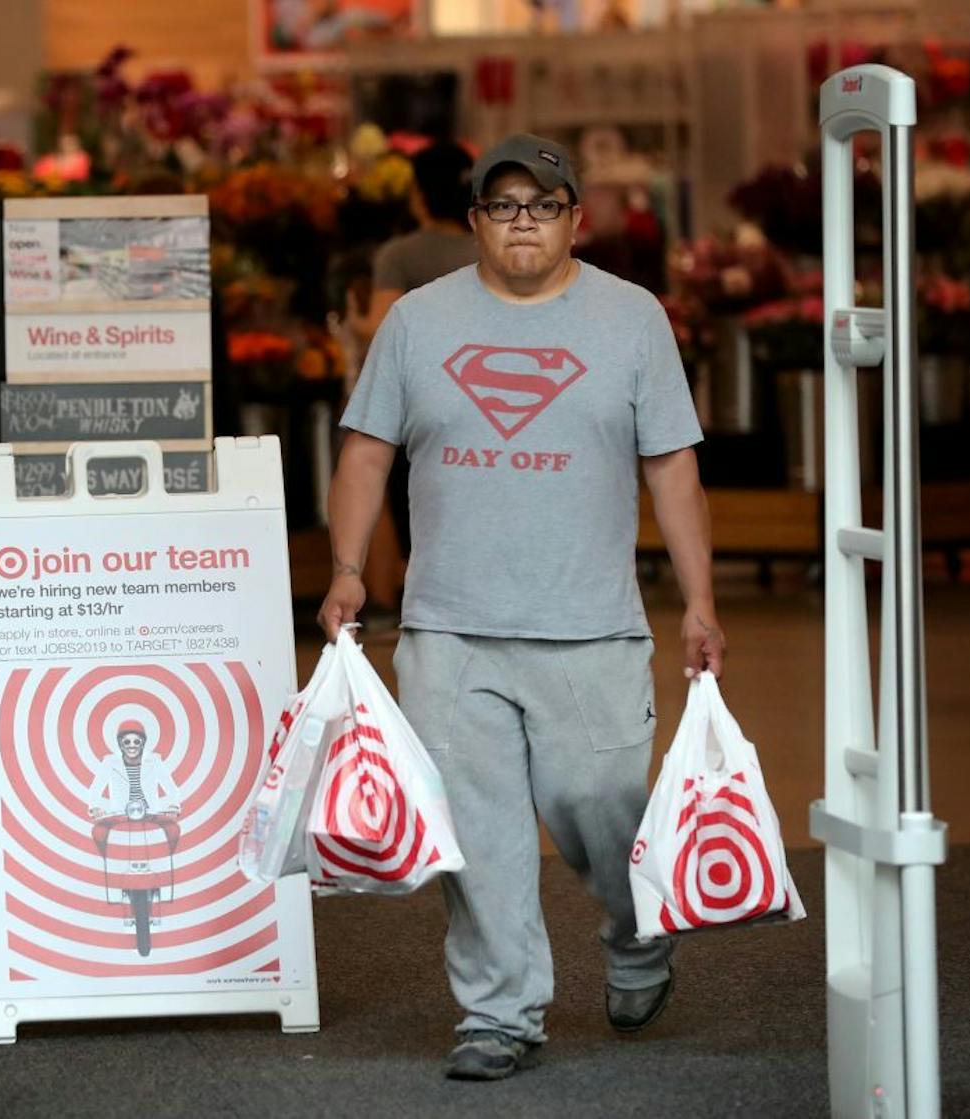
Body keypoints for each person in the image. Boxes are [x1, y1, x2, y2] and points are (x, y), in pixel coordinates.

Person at [318, 132, 726, 1081]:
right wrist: (347, 566)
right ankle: (500, 1010)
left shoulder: (632, 320)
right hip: (450, 627)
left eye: (542, 205)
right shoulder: (417, 323)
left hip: (591, 624)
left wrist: (699, 599)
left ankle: (635, 934)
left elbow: (671, 465)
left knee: (602, 801)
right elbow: (367, 451)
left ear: (576, 218)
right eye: (503, 207)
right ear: (473, 224)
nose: (523, 224)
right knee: (477, 833)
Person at [357, 141, 480, 583]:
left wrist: (353, 324)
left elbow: (381, 325)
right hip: (487, 399)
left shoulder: (401, 254)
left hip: (420, 400)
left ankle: (399, 597)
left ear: (419, 194)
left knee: (406, 502)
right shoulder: (491, 248)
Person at [85, 720, 180, 820]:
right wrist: (95, 808)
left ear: (142, 743)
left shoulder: (154, 761)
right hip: (120, 816)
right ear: (120, 745)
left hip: (151, 814)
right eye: (127, 742)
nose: (132, 745)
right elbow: (95, 790)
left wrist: (173, 805)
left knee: (173, 829)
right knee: (98, 831)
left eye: (136, 741)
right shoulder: (109, 762)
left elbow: (172, 788)